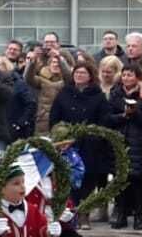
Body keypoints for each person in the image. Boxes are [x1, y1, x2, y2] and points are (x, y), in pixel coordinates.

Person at [49, 61, 115, 225]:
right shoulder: (65, 92)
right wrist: (60, 135)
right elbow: (54, 116)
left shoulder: (97, 95)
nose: (79, 76)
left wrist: (94, 135)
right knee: (68, 177)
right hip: (67, 143)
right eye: (77, 73)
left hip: (90, 144)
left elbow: (104, 119)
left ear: (90, 76)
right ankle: (69, 211)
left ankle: (84, 211)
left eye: (83, 73)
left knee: (88, 178)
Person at [108, 66, 142, 230]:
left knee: (138, 181)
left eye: (130, 74)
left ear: (137, 77)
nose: (126, 78)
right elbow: (108, 118)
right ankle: (120, 212)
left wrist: (135, 114)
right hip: (120, 141)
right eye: (124, 75)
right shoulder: (115, 95)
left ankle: (138, 215)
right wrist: (122, 116)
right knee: (120, 180)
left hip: (139, 144)